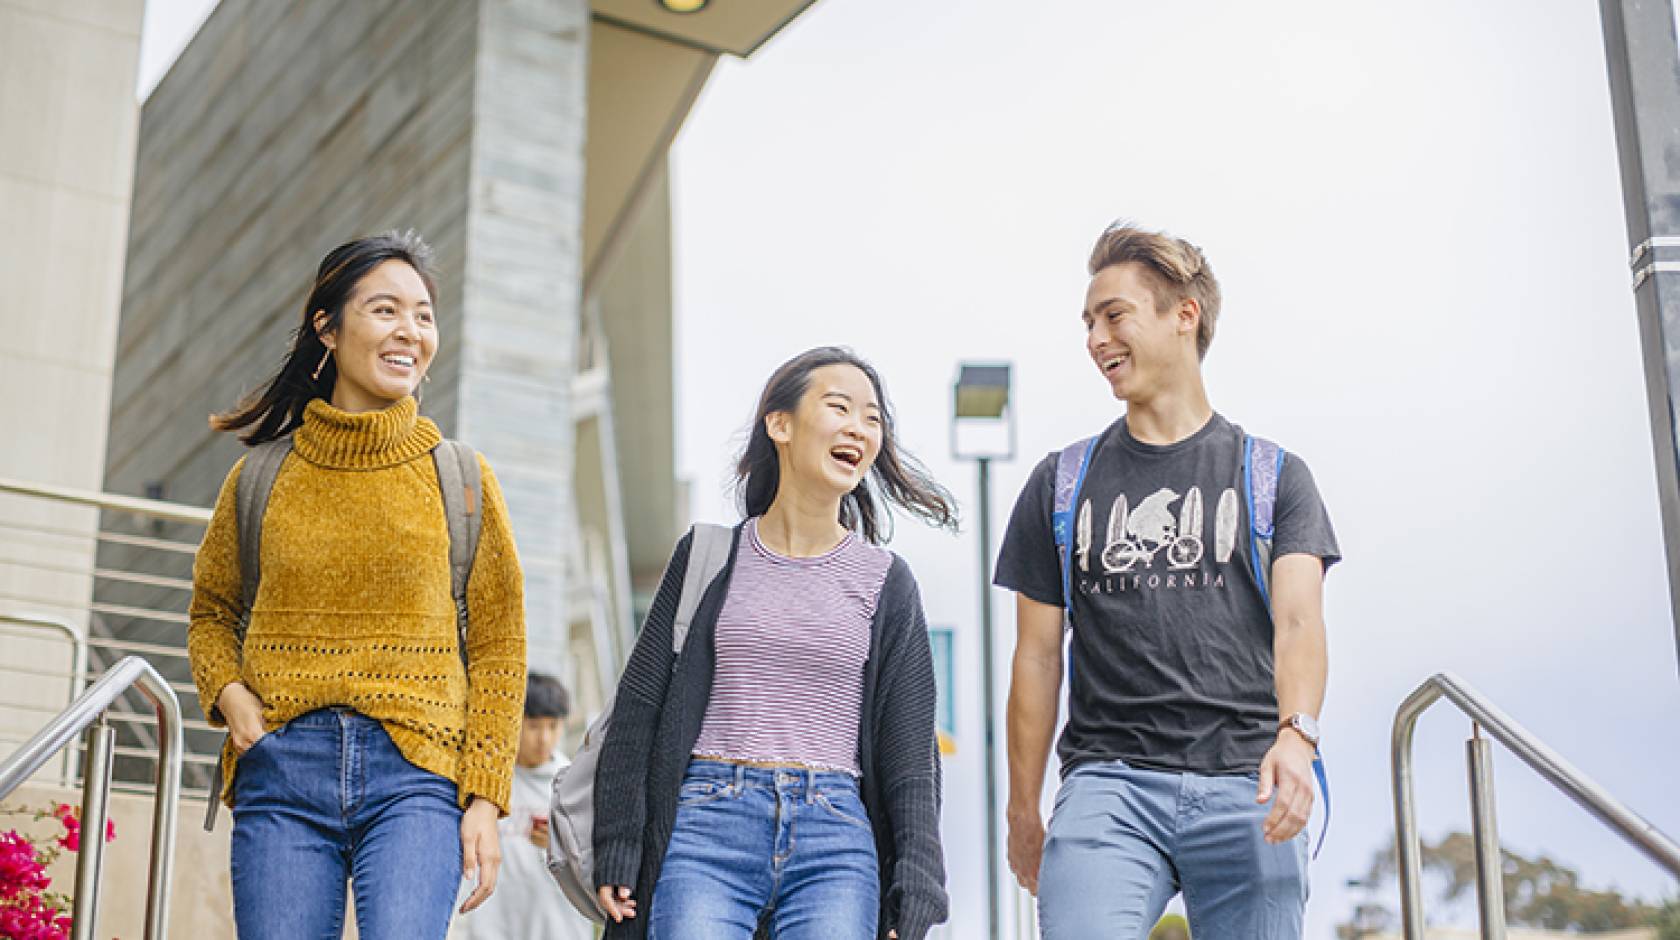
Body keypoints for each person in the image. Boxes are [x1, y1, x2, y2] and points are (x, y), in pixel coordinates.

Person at [997, 223, 1340, 939]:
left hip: (1248, 779)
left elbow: (1300, 624)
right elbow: (1036, 657)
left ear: (1184, 314)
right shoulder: (1060, 484)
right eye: (1089, 322)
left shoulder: (1274, 477)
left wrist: (1297, 740)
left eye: (1113, 315)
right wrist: (1023, 807)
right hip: (1108, 785)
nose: (1095, 338)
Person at [187, 231, 528, 940]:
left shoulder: (460, 477)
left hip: (418, 774)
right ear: (327, 328)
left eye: (425, 314)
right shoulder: (259, 477)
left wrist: (486, 799)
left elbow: (500, 645)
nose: (410, 331)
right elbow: (212, 612)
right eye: (385, 310)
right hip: (282, 770)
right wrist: (233, 698)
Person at [591, 347, 954, 940]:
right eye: (839, 407)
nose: (859, 428)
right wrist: (619, 843)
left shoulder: (885, 581)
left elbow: (910, 751)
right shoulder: (707, 559)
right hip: (707, 826)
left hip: (835, 839)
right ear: (779, 424)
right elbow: (639, 710)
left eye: (873, 419)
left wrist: (917, 882)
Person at [456, 672, 594, 940]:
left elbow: (594, 865)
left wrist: (558, 845)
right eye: (533, 726)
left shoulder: (572, 785)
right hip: (493, 925)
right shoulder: (487, 785)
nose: (543, 738)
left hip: (558, 927)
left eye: (552, 726)